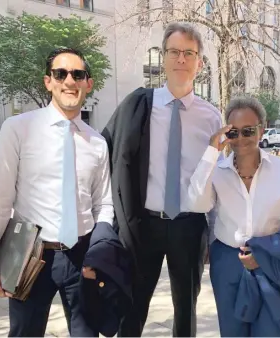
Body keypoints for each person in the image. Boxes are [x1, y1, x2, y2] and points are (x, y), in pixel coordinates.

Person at [0, 47, 114, 337]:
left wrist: (100, 253)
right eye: (60, 73)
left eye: (78, 74)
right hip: (30, 254)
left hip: (82, 255)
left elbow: (104, 204)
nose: (69, 81)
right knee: (25, 332)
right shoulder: (18, 129)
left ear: (88, 83)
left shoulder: (97, 143)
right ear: (48, 81)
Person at [102, 22, 222, 337]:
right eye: (174, 52)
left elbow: (220, 177)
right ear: (163, 58)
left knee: (186, 310)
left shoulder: (211, 117)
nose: (181, 59)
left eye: (189, 53)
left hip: (189, 225)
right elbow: (104, 153)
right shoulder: (137, 105)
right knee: (134, 305)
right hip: (144, 225)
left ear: (199, 63)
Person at [185, 96, 280, 337]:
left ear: (262, 129)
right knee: (232, 331)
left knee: (276, 329)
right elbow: (196, 203)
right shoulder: (216, 171)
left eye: (248, 131)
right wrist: (211, 152)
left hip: (273, 260)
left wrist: (270, 249)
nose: (241, 139)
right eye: (233, 132)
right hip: (228, 262)